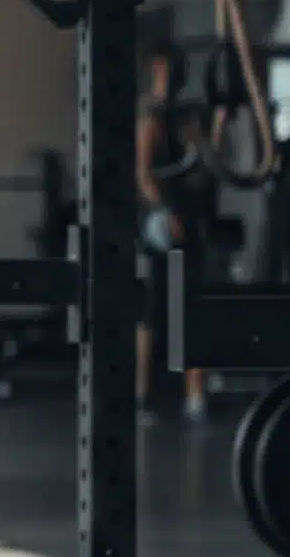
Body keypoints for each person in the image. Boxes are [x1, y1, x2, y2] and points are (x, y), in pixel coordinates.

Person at [135, 40, 216, 424]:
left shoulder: (186, 119)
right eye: (163, 73)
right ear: (155, 75)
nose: (168, 80)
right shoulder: (149, 119)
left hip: (190, 219)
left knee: (193, 306)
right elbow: (144, 175)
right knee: (152, 313)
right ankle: (142, 395)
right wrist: (166, 213)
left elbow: (203, 162)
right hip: (160, 222)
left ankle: (195, 396)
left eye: (173, 73)